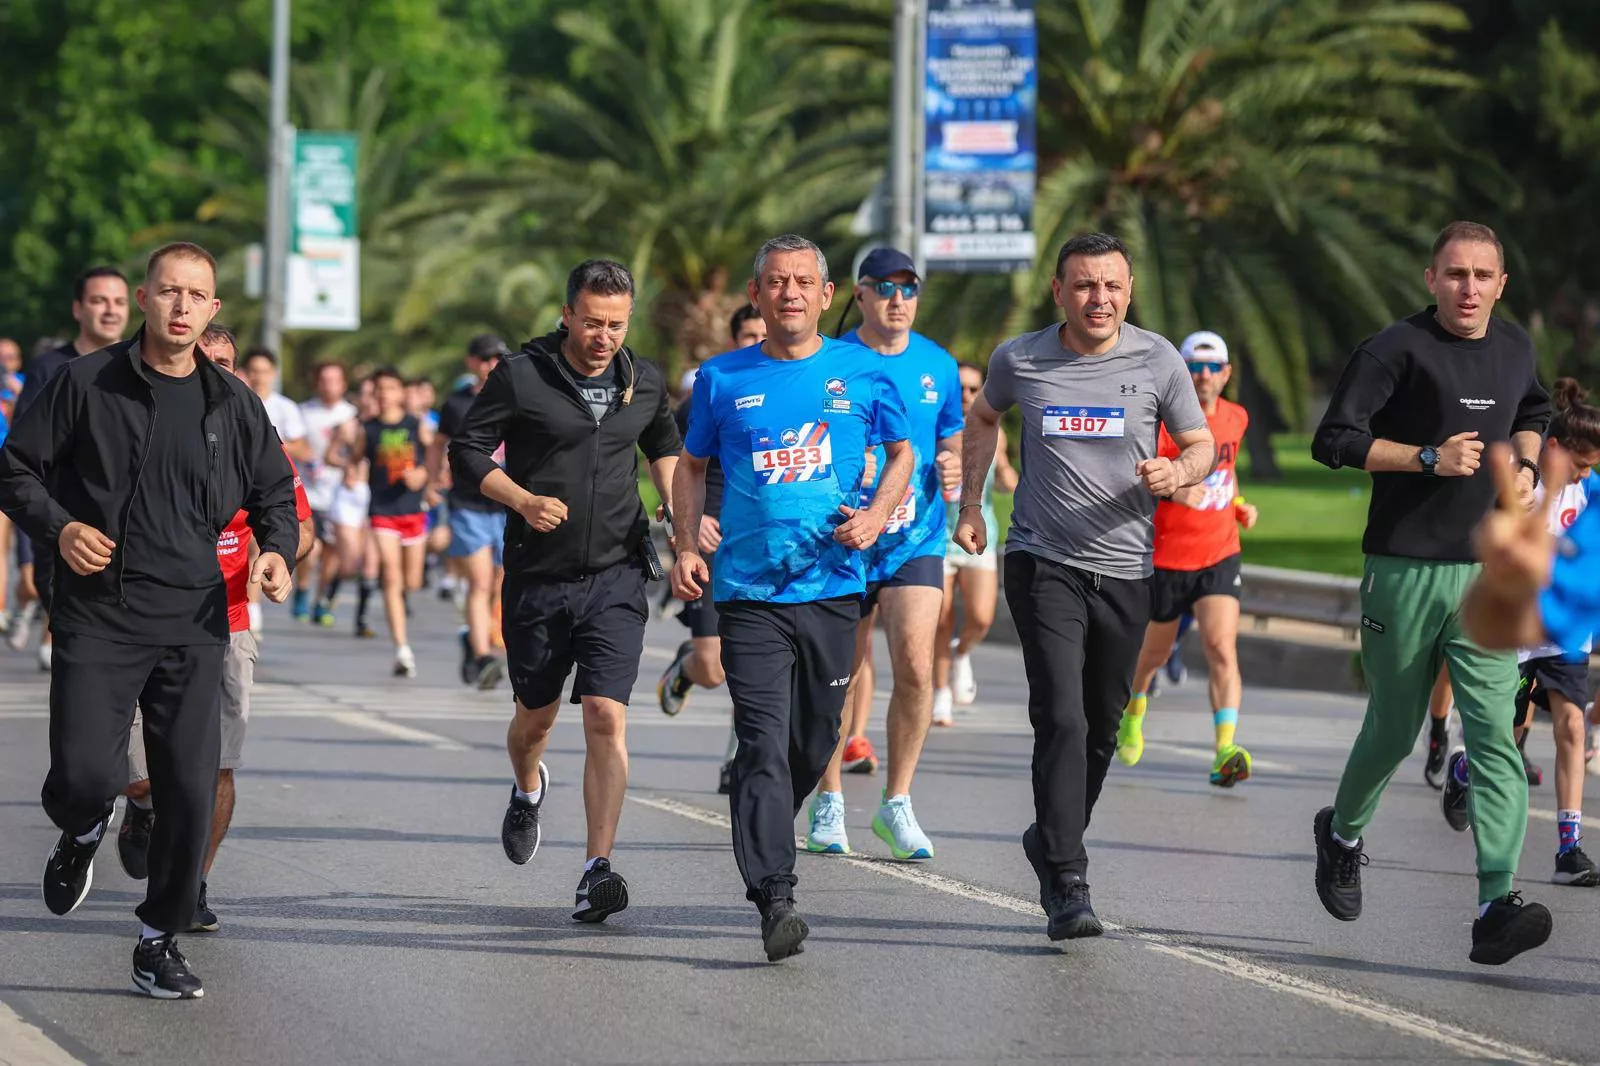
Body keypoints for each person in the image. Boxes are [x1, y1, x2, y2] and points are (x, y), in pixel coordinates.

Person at [0, 241, 299, 1000]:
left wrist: (276, 553)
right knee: (84, 775)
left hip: (197, 620)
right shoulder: (85, 383)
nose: (181, 308)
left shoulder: (233, 403)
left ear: (212, 309)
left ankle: (157, 938)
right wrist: (62, 527)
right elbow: (14, 468)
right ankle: (83, 822)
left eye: (196, 296)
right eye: (168, 292)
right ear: (143, 298)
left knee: (190, 789)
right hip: (100, 612)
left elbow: (274, 493)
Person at [953, 232, 1215, 941]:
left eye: (1112, 286)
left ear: (1129, 291)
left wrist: (1178, 474)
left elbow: (1201, 444)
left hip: (1129, 568)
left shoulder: (1158, 358)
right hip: (1044, 560)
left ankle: (1050, 836)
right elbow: (983, 418)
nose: (1099, 299)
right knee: (1062, 717)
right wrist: (972, 504)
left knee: (1102, 726)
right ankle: (1068, 878)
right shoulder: (1021, 358)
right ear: (1058, 291)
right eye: (1084, 285)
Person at [1309, 220, 1553, 966]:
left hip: (1487, 575)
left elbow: (1534, 412)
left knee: (1495, 736)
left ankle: (1494, 902)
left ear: (1501, 284)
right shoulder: (1394, 350)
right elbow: (1335, 440)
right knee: (1393, 724)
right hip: (1405, 567)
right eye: (1455, 274)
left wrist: (1531, 467)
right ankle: (1343, 833)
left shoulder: (1514, 348)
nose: (1469, 288)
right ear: (1431, 278)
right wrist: (1425, 458)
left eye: (1483, 275)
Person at [672, 233, 912, 961]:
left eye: (803, 281)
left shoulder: (863, 372)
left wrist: (874, 516)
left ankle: (771, 816)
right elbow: (689, 465)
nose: (790, 294)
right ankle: (775, 894)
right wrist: (686, 542)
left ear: (826, 294)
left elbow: (902, 453)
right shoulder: (720, 379)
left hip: (835, 586)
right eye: (776, 282)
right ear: (757, 294)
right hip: (748, 591)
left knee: (814, 738)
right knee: (763, 741)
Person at [450, 259, 680, 926]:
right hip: (538, 578)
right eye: (592, 323)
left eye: (616, 325)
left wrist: (672, 501)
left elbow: (663, 442)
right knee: (535, 719)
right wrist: (521, 499)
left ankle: (595, 869)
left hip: (615, 574)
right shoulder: (522, 377)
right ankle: (528, 786)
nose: (604, 337)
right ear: (567, 315)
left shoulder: (642, 379)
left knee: (606, 713)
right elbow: (466, 452)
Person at [118, 325, 316, 930]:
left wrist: (277, 555)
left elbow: (297, 522)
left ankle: (192, 885)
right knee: (139, 772)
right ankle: (144, 807)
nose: (217, 372)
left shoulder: (256, 436)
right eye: (205, 360)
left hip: (226, 620)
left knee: (218, 766)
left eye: (227, 363)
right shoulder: (145, 423)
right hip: (141, 618)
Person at [804, 247, 962, 861]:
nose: (899, 300)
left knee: (917, 667)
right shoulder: (835, 361)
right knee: (841, 674)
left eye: (909, 288)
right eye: (885, 288)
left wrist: (953, 465)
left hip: (914, 535)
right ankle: (830, 800)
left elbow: (950, 435)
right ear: (860, 296)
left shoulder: (938, 365)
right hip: (844, 537)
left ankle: (897, 802)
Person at [1441, 379, 1600, 887]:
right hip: (1513, 631)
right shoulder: (1522, 491)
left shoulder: (1592, 491)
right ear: (1554, 449)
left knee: (1573, 727)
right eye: (1581, 463)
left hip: (1564, 634)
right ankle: (1465, 772)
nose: (1587, 472)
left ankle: (1569, 850)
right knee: (1503, 744)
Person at [1114, 330, 1261, 787]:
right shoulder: (1161, 423)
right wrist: (1178, 488)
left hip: (1219, 553)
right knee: (1153, 654)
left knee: (1221, 648)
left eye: (1213, 367)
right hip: (1167, 558)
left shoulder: (1237, 418)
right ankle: (1134, 711)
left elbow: (1225, 475)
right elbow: (1137, 478)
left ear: (1227, 373)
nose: (1204, 376)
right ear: (1180, 370)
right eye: (1194, 367)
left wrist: (1238, 507)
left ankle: (1224, 751)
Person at [657, 305, 767, 795]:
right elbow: (672, 463)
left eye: (762, 334)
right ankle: (685, 666)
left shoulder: (800, 389)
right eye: (748, 334)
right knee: (711, 667)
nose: (756, 341)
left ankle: (737, 760)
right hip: (710, 544)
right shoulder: (713, 386)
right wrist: (687, 520)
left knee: (755, 662)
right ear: (734, 336)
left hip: (764, 546)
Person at [14, 266, 131, 672]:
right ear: (78, 309)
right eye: (99, 301)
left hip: (129, 545)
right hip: (65, 542)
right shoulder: (50, 370)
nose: (110, 310)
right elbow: (21, 467)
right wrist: (33, 552)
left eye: (118, 301)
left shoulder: (144, 368)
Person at [932, 361, 1018, 722]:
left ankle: (962, 653)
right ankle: (941, 693)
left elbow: (1005, 483)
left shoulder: (993, 432)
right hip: (937, 537)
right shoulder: (932, 428)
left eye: (973, 389)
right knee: (941, 618)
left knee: (981, 616)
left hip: (979, 537)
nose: (967, 396)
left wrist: (1003, 469)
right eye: (961, 389)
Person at [335, 369, 431, 677]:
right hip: (382, 511)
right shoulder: (369, 429)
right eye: (380, 389)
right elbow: (355, 456)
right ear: (374, 395)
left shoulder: (417, 426)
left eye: (391, 388)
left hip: (413, 511)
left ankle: (402, 625)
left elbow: (435, 455)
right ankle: (402, 650)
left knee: (411, 583)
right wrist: (350, 470)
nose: (385, 394)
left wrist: (424, 476)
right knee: (390, 576)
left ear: (402, 392)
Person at [429, 334, 509, 689]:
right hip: (468, 503)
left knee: (500, 583)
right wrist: (433, 479)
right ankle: (482, 654)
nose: (492, 365)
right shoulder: (457, 403)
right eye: (486, 359)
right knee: (479, 582)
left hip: (511, 504)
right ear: (472, 363)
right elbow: (437, 443)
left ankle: (474, 638)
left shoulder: (515, 398)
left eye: (498, 359)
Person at [298, 362, 358, 626]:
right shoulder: (303, 412)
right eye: (324, 380)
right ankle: (301, 589)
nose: (329, 385)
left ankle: (321, 600)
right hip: (309, 492)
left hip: (340, 495)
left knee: (335, 555)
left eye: (334, 380)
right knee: (311, 550)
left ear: (344, 383)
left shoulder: (352, 415)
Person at [240, 347, 311, 464]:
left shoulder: (286, 407)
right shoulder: (235, 405)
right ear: (244, 372)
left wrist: (263, 444)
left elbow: (300, 449)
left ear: (273, 373)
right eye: (254, 371)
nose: (259, 377)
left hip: (275, 473)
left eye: (264, 371)